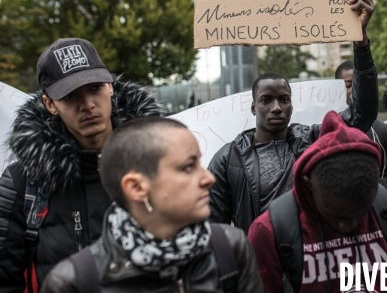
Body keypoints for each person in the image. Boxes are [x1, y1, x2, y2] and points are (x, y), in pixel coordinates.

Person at [208, 0, 379, 233]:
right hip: (261, 259)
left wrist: (360, 41)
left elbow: (361, 115)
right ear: (254, 107)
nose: (276, 107)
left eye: (284, 99)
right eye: (267, 100)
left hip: (313, 253)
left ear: (291, 104)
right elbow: (216, 228)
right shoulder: (228, 160)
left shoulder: (313, 140)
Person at [0, 38, 163, 292]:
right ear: (50, 104)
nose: (87, 104)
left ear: (110, 86)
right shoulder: (24, 182)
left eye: (95, 87)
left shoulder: (157, 161)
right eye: (70, 95)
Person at [40, 117, 263, 293]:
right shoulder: (72, 282)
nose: (208, 179)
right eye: (188, 167)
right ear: (136, 187)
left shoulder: (230, 248)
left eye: (199, 163)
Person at [247, 111, 387, 293]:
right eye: (337, 214)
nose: (347, 225)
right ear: (309, 185)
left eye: (360, 213)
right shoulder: (269, 231)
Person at [335, 60, 387, 192]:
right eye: (348, 85)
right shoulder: (324, 130)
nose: (355, 91)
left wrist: (363, 187)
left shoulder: (384, 132)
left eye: (361, 85)